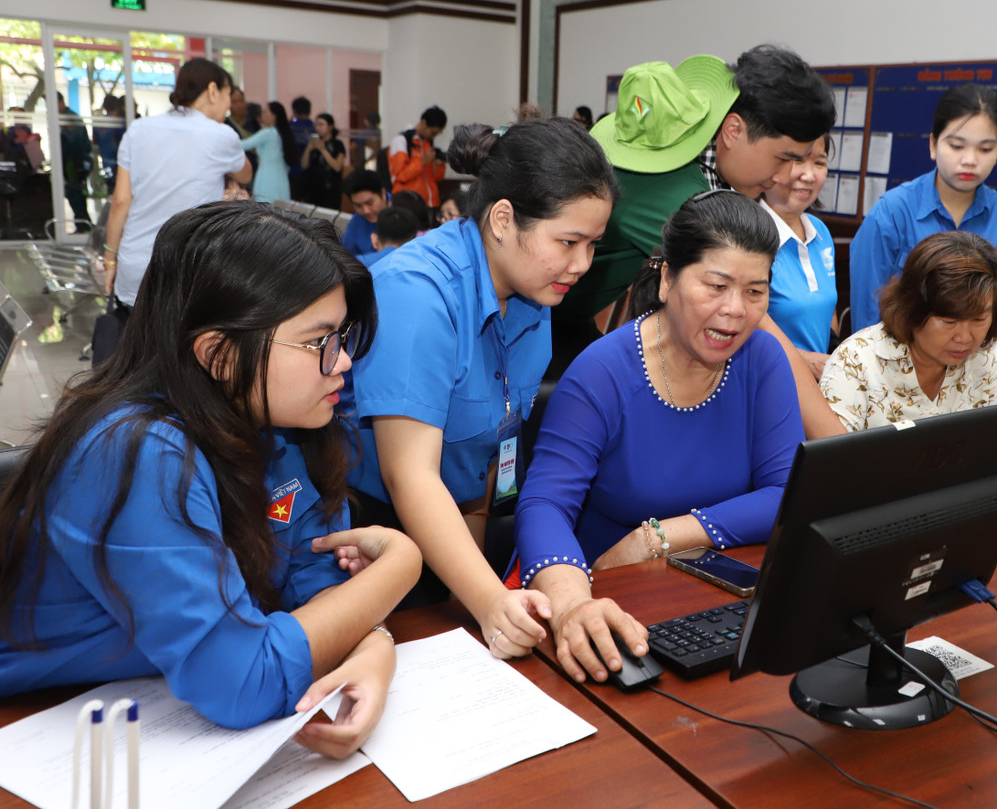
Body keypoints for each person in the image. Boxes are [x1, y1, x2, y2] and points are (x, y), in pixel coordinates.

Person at [0, 203, 422, 747]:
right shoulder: (135, 452)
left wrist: (374, 644)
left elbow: (317, 586)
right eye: (320, 342)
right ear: (219, 355)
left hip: (143, 698)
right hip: (39, 724)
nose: (342, 362)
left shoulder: (291, 424)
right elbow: (242, 683)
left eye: (342, 336)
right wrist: (402, 565)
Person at [341, 117, 617, 658]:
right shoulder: (417, 294)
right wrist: (488, 600)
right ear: (503, 219)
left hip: (454, 522)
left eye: (593, 245)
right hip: (371, 533)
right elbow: (410, 476)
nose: (582, 265)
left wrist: (475, 592)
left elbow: (492, 448)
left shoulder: (534, 291)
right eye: (568, 242)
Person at [515, 190, 803, 683]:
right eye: (717, 286)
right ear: (668, 279)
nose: (736, 310)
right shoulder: (602, 372)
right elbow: (544, 504)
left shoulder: (763, 359)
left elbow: (787, 493)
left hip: (707, 605)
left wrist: (659, 537)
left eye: (756, 291)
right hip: (605, 602)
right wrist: (571, 604)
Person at [551, 46, 836, 374]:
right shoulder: (674, 190)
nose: (784, 176)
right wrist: (804, 363)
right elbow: (741, 305)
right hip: (543, 324)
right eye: (783, 158)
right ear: (733, 131)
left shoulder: (698, 163)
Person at [818, 231, 997, 516]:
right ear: (912, 308)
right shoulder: (856, 360)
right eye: (948, 321)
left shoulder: (986, 353)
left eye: (979, 319)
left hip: (964, 515)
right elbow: (829, 480)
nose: (965, 338)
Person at [849, 83, 997, 333]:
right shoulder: (892, 211)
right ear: (933, 145)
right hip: (897, 353)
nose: (970, 160)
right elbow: (867, 312)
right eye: (956, 146)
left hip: (973, 353)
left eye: (985, 149)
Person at [104, 59, 251, 314]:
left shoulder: (138, 130)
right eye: (228, 95)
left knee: (137, 337)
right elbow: (246, 173)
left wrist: (109, 260)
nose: (228, 106)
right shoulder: (221, 136)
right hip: (190, 269)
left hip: (137, 266)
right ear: (213, 90)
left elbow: (120, 201)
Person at [761, 132, 837, 376]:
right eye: (797, 160)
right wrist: (805, 361)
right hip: (769, 381)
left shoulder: (821, 231)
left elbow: (829, 312)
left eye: (819, 162)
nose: (809, 175)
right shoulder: (749, 235)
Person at [388, 105, 447, 208]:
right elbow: (399, 176)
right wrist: (422, 162)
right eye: (433, 133)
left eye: (437, 134)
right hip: (407, 204)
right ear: (423, 123)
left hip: (430, 203)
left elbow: (436, 177)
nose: (433, 136)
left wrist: (439, 164)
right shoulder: (402, 141)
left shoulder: (428, 144)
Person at [241, 101, 297, 204]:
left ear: (274, 115)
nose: (263, 115)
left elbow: (244, 145)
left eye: (266, 112)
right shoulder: (283, 134)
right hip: (282, 180)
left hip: (267, 178)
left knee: (265, 208)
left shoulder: (268, 133)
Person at [56, 93, 93, 229]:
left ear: (60, 102)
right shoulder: (63, 117)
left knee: (76, 194)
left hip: (75, 163)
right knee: (74, 194)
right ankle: (83, 225)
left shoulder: (69, 118)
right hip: (71, 163)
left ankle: (83, 226)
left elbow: (73, 142)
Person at [302, 112, 347, 210]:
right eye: (316, 125)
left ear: (330, 127)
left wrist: (323, 150)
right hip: (312, 187)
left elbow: (337, 167)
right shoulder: (314, 143)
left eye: (321, 124)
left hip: (330, 189)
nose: (318, 128)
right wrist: (308, 149)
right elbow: (304, 165)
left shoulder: (338, 144)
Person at [341, 168, 389, 257]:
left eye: (370, 203)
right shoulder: (356, 222)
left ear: (383, 193)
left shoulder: (405, 209)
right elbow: (345, 256)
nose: (366, 211)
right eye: (358, 206)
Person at [288, 96, 316, 201]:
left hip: (293, 172)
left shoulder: (290, 127)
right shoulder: (315, 127)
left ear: (294, 111)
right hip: (311, 173)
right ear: (309, 110)